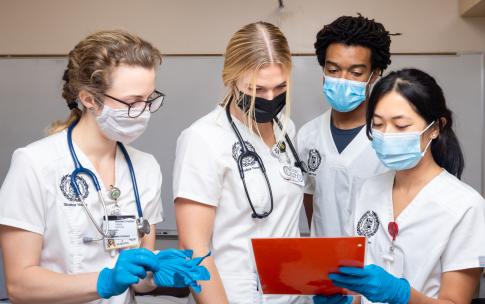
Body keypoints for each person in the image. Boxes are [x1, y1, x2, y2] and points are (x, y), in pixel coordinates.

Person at [0, 30, 208, 303]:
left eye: (149, 99)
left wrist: (155, 274)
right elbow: (20, 284)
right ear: (89, 99)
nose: (144, 111)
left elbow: (138, 284)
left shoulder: (145, 168)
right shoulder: (35, 164)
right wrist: (105, 280)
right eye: (133, 102)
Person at [314, 68, 485, 303]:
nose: (387, 135)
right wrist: (344, 299)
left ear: (435, 128)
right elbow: (359, 285)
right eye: (378, 124)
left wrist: (401, 294)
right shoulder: (368, 190)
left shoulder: (465, 205)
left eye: (401, 126)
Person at [174, 22, 306, 303]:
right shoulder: (203, 139)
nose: (270, 98)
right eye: (257, 88)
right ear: (230, 79)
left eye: (280, 86)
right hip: (236, 295)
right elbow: (193, 247)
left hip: (291, 293)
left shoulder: (287, 129)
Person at [297, 15, 395, 236]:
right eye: (333, 70)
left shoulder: (391, 137)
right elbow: (311, 201)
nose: (342, 79)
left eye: (356, 72)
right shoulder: (308, 135)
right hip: (323, 262)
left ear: (374, 74)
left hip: (375, 264)